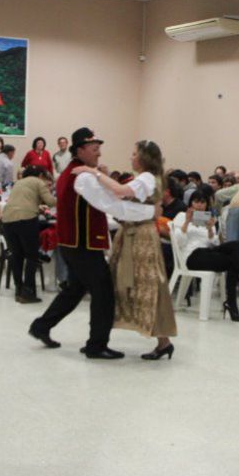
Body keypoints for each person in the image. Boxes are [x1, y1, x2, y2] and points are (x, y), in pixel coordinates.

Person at [28, 127, 155, 360]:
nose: (99, 154)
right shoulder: (84, 176)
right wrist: (147, 212)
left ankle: (41, 326)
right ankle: (96, 345)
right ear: (81, 150)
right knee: (103, 291)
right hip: (82, 244)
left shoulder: (74, 173)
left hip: (74, 242)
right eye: (95, 149)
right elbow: (110, 205)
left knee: (75, 289)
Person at [71, 140, 177, 360]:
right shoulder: (148, 178)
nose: (131, 157)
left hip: (140, 237)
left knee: (146, 285)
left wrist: (93, 172)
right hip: (134, 234)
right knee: (133, 284)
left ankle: (161, 341)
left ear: (144, 157)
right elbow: (125, 194)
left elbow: (120, 192)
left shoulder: (147, 178)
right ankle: (101, 340)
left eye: (134, 153)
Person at [173, 188, 239, 321]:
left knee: (236, 246)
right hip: (191, 256)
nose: (199, 205)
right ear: (190, 203)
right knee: (234, 261)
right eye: (196, 202)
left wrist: (210, 230)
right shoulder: (182, 216)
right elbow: (179, 242)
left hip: (208, 252)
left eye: (202, 202)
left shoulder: (208, 218)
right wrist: (187, 222)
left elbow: (213, 244)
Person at [1, 166, 56, 303]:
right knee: (32, 256)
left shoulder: (19, 182)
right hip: (26, 220)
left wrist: (37, 207)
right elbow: (51, 202)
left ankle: (19, 290)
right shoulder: (39, 182)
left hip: (7, 220)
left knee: (17, 255)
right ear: (41, 175)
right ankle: (28, 292)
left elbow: (20, 202)